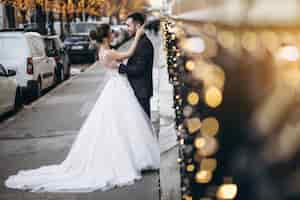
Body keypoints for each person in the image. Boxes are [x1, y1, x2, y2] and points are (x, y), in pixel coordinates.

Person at [5, 22, 160, 193]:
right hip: (118, 88)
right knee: (121, 124)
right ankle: (129, 158)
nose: (114, 35)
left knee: (115, 125)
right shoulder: (110, 52)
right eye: (111, 33)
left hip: (114, 88)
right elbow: (128, 53)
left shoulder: (102, 52)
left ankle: (126, 157)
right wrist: (137, 36)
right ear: (106, 37)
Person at [119, 12, 154, 118]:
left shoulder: (144, 44)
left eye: (129, 25)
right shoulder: (140, 41)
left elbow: (139, 69)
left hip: (141, 91)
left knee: (144, 126)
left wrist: (121, 68)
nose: (127, 29)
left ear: (138, 25)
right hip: (138, 90)